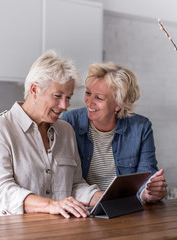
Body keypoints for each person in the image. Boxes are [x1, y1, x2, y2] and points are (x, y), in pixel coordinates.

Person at [0, 50, 102, 219]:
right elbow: (1, 190)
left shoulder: (66, 131)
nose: (64, 105)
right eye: (57, 96)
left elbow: (74, 185)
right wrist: (50, 205)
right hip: (5, 228)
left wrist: (105, 197)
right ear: (35, 90)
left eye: (68, 98)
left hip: (52, 229)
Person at [61, 62, 167, 203]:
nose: (89, 102)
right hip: (83, 209)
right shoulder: (69, 122)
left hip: (124, 209)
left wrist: (149, 192)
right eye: (88, 93)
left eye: (99, 98)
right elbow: (65, 180)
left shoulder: (141, 127)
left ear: (118, 104)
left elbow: (146, 176)